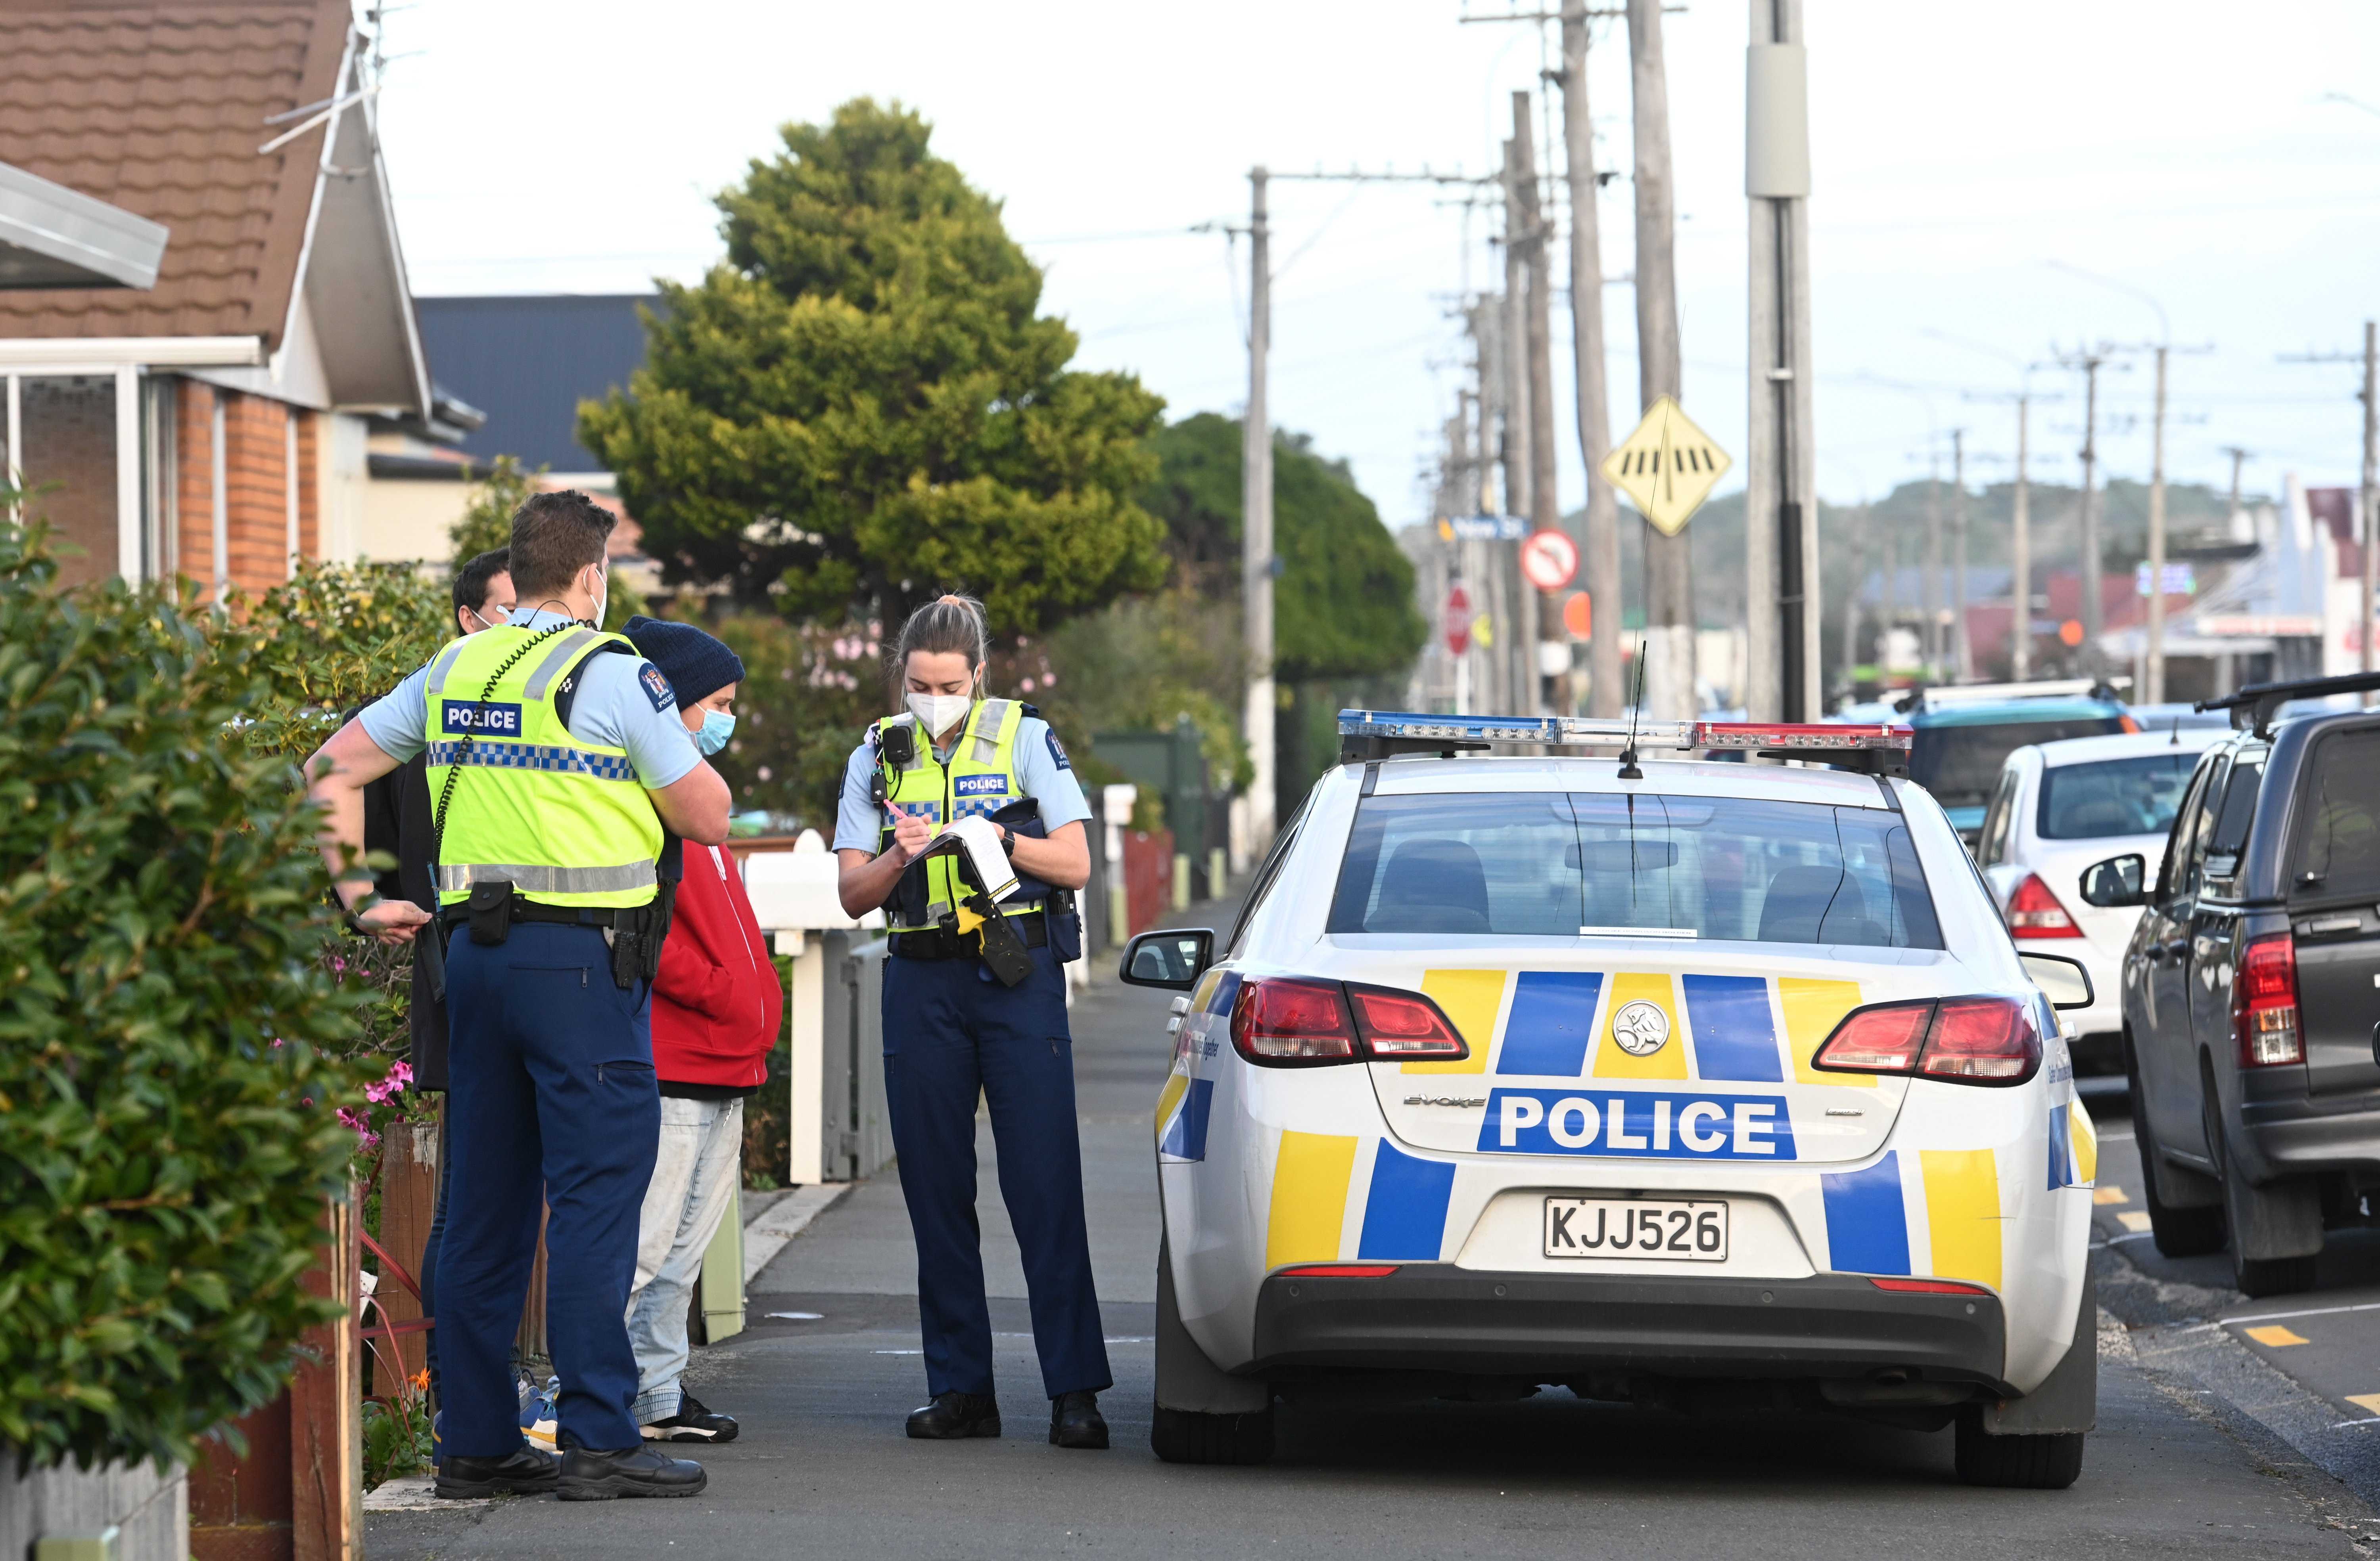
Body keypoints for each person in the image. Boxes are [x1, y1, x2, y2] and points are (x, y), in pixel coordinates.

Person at [303, 490, 732, 1502]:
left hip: (473, 966)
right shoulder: (612, 671)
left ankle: (477, 1443)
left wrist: (362, 896)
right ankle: (598, 1436)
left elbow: (330, 764)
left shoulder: (460, 664)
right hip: (580, 970)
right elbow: (707, 814)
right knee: (593, 1202)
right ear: (592, 578)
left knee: (485, 1207)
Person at [832, 593, 1110, 1450]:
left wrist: (997, 839)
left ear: (980, 677)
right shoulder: (877, 754)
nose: (932, 697)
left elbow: (1077, 859)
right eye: (918, 683)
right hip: (921, 983)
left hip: (1012, 974)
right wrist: (898, 854)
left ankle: (1073, 1391)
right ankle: (960, 1388)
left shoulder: (1025, 737)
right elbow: (850, 893)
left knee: (1043, 1182)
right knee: (936, 1188)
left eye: (948, 684)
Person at [358, 547, 514, 1419]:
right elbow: (335, 779)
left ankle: (476, 1394)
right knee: (467, 1193)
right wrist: (368, 902)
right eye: (504, 608)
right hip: (460, 972)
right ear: (466, 619)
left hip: (511, 966)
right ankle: (461, 1393)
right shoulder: (431, 704)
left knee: (491, 1191)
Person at [618, 615, 779, 1444]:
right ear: (674, 702)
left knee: (681, 1252)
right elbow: (653, 937)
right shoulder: (656, 800)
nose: (727, 718)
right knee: (646, 1245)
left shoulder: (697, 796)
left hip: (724, 1065)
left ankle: (657, 1393)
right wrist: (724, 991)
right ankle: (602, 1394)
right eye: (715, 702)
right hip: (679, 1063)